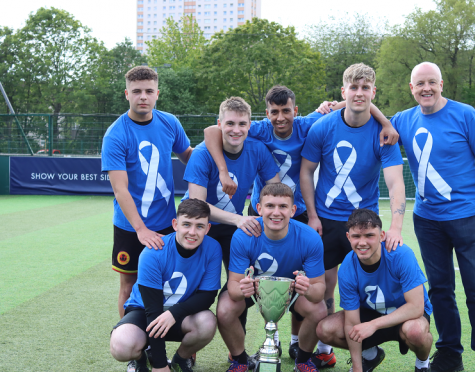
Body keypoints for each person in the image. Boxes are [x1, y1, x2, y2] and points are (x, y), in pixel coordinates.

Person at [203, 85, 399, 364]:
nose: (280, 118)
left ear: (295, 111)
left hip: (301, 211)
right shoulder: (258, 128)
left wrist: (386, 121)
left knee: (300, 279)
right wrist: (223, 170)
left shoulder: (308, 123)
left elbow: (354, 103)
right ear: (266, 113)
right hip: (264, 210)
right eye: (274, 112)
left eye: (286, 111)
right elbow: (213, 131)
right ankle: (258, 344)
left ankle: (298, 343)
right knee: (255, 277)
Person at [390, 62, 475, 372]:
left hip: (469, 219)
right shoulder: (403, 120)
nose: (426, 88)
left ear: (441, 85)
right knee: (439, 290)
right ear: (411, 89)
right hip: (427, 221)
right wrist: (336, 105)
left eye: (431, 82)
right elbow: (373, 123)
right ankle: (450, 353)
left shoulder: (465, 114)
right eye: (419, 84)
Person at [299, 62, 407, 368]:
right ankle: (319, 349)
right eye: (353, 87)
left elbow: (396, 181)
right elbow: (306, 171)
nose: (359, 93)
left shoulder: (384, 134)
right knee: (322, 286)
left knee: (365, 287)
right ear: (343, 91)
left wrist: (396, 226)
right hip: (326, 220)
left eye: (365, 88)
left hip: (363, 223)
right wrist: (312, 215)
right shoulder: (323, 126)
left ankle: (370, 349)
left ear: (373, 92)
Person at [101, 66, 193, 318]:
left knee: (170, 283)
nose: (143, 96)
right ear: (126, 94)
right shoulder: (115, 134)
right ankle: (133, 345)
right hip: (130, 227)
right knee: (129, 286)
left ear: (157, 94)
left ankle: (177, 343)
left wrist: (219, 150)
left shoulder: (169, 122)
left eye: (149, 91)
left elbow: (189, 157)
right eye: (137, 91)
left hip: (166, 223)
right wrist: (141, 229)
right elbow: (120, 190)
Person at [217, 183, 327, 372]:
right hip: (255, 291)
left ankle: (302, 361)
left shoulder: (309, 237)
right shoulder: (243, 235)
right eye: (270, 206)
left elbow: (318, 291)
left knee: (318, 309)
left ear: (293, 210)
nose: (276, 212)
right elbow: (234, 286)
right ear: (259, 208)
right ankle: (240, 361)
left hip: (291, 291)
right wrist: (243, 288)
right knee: (226, 306)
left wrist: (307, 288)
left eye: (283, 207)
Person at [110, 198, 221, 372]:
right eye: (186, 224)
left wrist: (174, 313)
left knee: (207, 322)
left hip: (180, 313)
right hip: (145, 311)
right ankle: (143, 359)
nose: (192, 232)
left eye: (199, 226)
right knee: (121, 346)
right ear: (175, 224)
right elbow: (153, 311)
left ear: (208, 229)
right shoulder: (153, 253)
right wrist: (160, 366)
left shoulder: (213, 248)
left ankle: (180, 360)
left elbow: (207, 296)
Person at [316, 208, 433, 372]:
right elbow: (351, 322)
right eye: (356, 236)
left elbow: (416, 307)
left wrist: (373, 325)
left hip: (406, 315)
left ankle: (422, 364)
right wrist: (357, 368)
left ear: (382, 236)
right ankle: (370, 356)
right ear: (348, 237)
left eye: (369, 235)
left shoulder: (401, 254)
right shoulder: (347, 267)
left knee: (415, 332)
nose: (362, 242)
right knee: (326, 329)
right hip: (371, 312)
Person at [183, 96, 280, 272]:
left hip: (231, 225)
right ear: (219, 124)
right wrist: (238, 219)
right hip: (198, 223)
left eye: (242, 124)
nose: (236, 130)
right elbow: (196, 206)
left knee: (244, 286)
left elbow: (277, 190)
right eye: (230, 124)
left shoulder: (257, 150)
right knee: (193, 284)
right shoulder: (201, 154)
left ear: (249, 125)